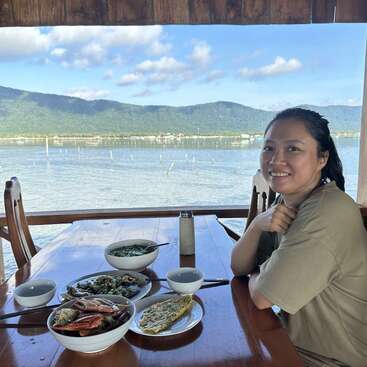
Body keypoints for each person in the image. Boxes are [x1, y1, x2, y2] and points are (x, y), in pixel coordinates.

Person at [231, 108, 367, 367]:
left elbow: (261, 297)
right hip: (293, 344)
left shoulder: (326, 212)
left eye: (293, 149)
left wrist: (258, 275)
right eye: (268, 148)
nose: (275, 160)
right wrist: (258, 224)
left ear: (321, 158)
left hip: (331, 360)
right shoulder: (289, 202)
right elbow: (238, 266)